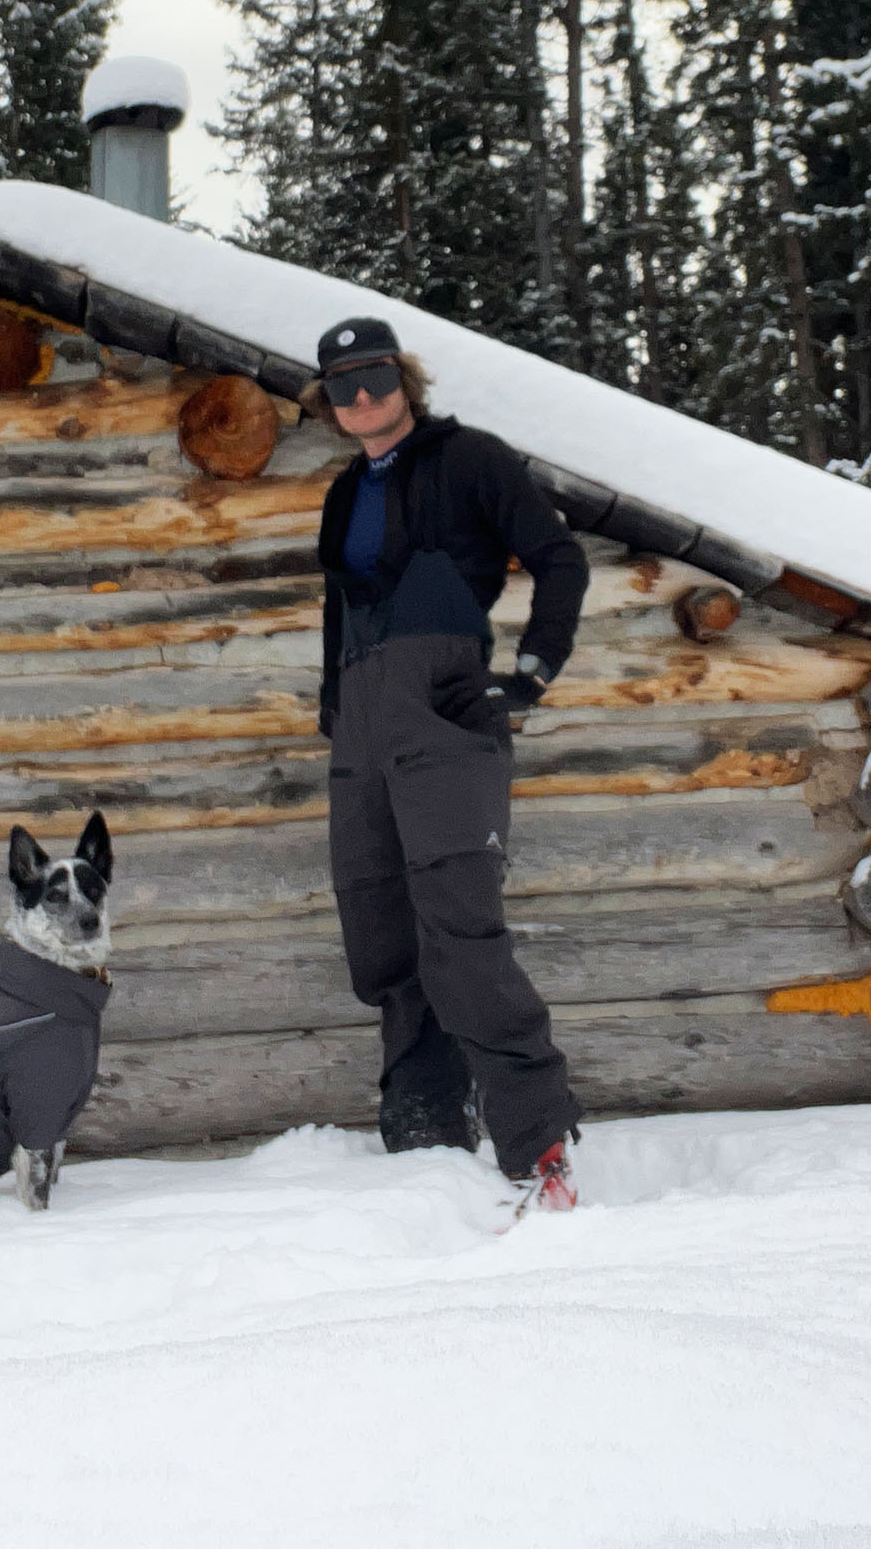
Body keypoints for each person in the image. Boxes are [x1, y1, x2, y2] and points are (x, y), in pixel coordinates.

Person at [301, 317, 589, 1210]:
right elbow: (339, 609)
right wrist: (336, 709)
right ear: (328, 402)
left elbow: (560, 558)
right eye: (342, 386)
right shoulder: (344, 493)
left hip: (443, 706)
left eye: (376, 378)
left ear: (407, 381)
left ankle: (538, 1142)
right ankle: (426, 1137)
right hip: (362, 723)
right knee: (379, 931)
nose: (362, 397)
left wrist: (532, 671)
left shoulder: (471, 459)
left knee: (459, 927)